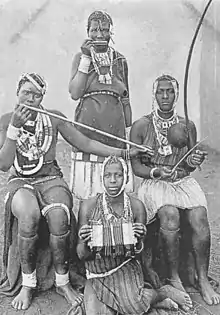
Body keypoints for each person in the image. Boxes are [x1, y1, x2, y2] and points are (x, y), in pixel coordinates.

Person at [0, 72, 144, 311]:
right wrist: (14, 128)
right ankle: (28, 283)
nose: (31, 99)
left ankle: (62, 281)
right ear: (18, 93)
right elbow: (4, 164)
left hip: (51, 179)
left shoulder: (53, 118)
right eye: (26, 93)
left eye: (36, 95)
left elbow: (85, 143)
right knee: (29, 215)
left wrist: (124, 153)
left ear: (42, 98)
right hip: (21, 182)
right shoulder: (6, 120)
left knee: (60, 216)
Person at [130, 74, 220, 306]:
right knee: (169, 215)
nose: (165, 96)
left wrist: (193, 160)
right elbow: (136, 166)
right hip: (154, 183)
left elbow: (190, 163)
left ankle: (202, 279)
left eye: (170, 91)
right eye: (161, 91)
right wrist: (155, 172)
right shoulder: (142, 125)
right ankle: (175, 277)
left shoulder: (187, 125)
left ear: (176, 94)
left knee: (200, 216)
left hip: (180, 182)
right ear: (154, 94)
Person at [77, 155, 194, 314]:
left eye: (118, 175)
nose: (112, 180)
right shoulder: (88, 206)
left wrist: (139, 240)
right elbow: (82, 255)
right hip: (97, 272)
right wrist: (84, 241)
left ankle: (160, 294)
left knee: (134, 306)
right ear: (101, 178)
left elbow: (138, 253)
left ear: (126, 178)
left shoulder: (136, 206)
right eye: (107, 175)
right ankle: (149, 301)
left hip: (124, 267)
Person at [68, 10, 135, 201]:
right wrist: (86, 58)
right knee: (88, 193)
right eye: (94, 30)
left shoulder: (120, 60)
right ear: (87, 32)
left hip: (115, 131)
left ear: (111, 32)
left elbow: (125, 98)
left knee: (115, 187)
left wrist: (128, 130)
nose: (99, 35)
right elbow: (74, 93)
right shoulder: (80, 58)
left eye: (105, 30)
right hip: (88, 127)